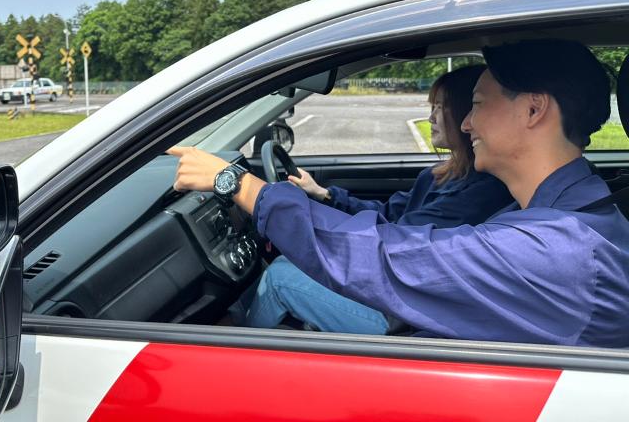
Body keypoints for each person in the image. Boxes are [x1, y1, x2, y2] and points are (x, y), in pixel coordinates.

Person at [168, 39, 629, 346]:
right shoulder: (567, 214)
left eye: (478, 106)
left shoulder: (556, 248)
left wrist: (240, 185)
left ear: (533, 109)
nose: (466, 124)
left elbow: (387, 257)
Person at [241, 64, 512, 333]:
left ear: (466, 112)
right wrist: (323, 194)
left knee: (279, 278)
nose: (431, 117)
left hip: (403, 312)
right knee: (287, 264)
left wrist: (297, 221)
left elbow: (393, 240)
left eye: (441, 107)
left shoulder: (481, 192)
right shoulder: (439, 175)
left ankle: (230, 352)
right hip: (391, 286)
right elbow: (387, 212)